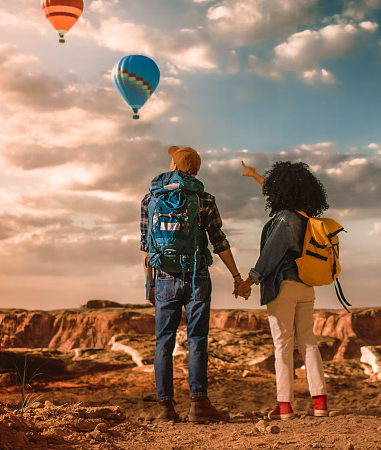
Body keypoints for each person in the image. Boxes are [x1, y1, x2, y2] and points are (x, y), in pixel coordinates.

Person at [140, 145, 245, 423]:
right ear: (195, 171)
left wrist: (150, 285)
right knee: (197, 339)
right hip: (197, 275)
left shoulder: (150, 200)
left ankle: (165, 408)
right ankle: (198, 404)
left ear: (174, 166)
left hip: (164, 277)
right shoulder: (204, 199)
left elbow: (146, 248)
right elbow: (219, 240)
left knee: (164, 342)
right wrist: (236, 277)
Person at [236, 160, 330, 420]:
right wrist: (255, 175)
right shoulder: (305, 218)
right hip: (306, 287)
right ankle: (320, 403)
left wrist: (249, 281)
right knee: (308, 342)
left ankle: (285, 405)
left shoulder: (285, 220)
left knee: (283, 346)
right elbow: (275, 189)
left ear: (282, 192)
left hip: (283, 285)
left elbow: (271, 253)